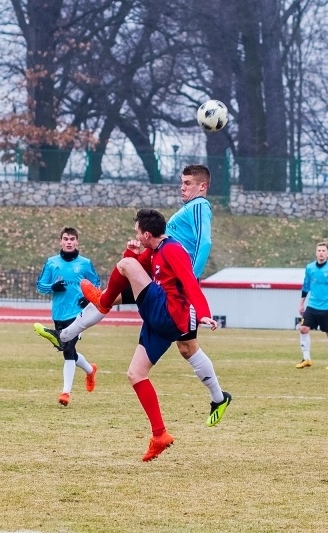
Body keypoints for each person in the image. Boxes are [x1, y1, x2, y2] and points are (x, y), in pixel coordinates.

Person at [33, 165, 219, 408]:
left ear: (202, 186)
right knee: (183, 345)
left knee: (186, 347)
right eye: (181, 182)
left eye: (187, 183)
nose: (182, 187)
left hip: (174, 288)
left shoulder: (199, 207)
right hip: (162, 278)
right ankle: (67, 333)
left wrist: (190, 279)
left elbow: (204, 242)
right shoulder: (185, 213)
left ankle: (87, 311)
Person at [92, 208, 229, 461]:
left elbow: (189, 281)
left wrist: (203, 312)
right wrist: (131, 252)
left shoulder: (173, 249)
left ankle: (103, 302)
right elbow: (128, 271)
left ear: (146, 233)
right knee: (135, 374)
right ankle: (159, 435)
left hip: (168, 312)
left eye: (137, 233)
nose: (135, 235)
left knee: (126, 264)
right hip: (159, 321)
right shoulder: (153, 251)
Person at [35, 227, 101, 407]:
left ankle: (66, 392)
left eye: (72, 239)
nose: (69, 242)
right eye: (66, 239)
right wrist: (52, 287)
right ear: (61, 241)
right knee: (67, 349)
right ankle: (90, 369)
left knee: (68, 348)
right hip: (59, 314)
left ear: (77, 241)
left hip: (79, 315)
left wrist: (87, 297)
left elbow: (97, 284)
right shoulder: (51, 263)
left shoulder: (85, 263)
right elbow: (40, 285)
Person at [296, 242, 328, 370]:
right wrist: (301, 304)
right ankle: (306, 358)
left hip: (327, 306)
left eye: (324, 250)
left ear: (327, 254)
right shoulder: (310, 268)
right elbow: (305, 286)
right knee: (303, 329)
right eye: (319, 250)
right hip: (312, 305)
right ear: (316, 253)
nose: (321, 253)